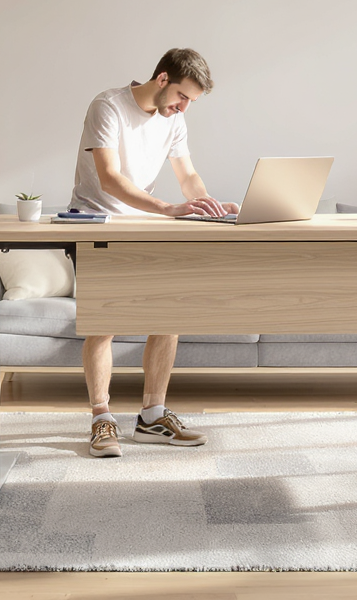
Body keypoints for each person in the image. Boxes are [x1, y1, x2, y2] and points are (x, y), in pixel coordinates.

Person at [68, 48, 237, 458]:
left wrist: (208, 205)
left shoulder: (173, 119)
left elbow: (188, 175)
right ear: (162, 79)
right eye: (182, 96)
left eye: (191, 102)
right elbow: (109, 178)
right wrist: (167, 208)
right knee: (104, 323)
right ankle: (101, 419)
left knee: (170, 314)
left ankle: (151, 416)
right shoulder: (107, 106)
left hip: (143, 224)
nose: (184, 107)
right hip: (97, 222)